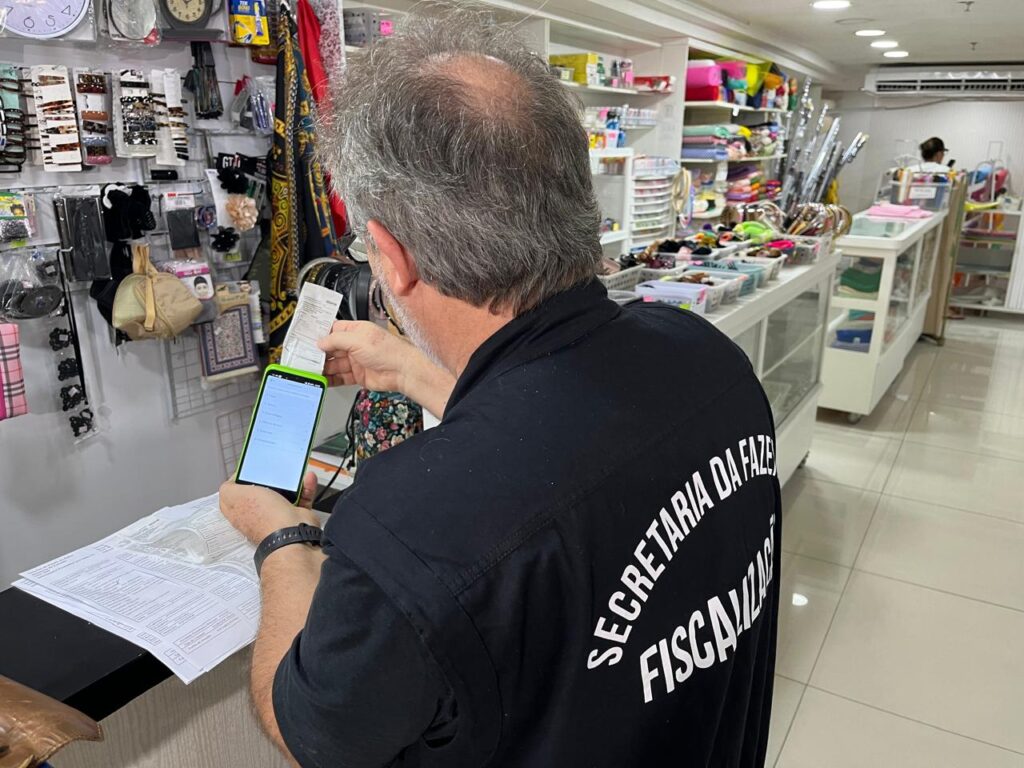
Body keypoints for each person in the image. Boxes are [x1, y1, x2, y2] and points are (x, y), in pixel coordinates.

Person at [219, 6, 782, 766]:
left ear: (391, 257)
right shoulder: (708, 359)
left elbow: (309, 732)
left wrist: (279, 536)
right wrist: (416, 373)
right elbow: (562, 453)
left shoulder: (411, 521)